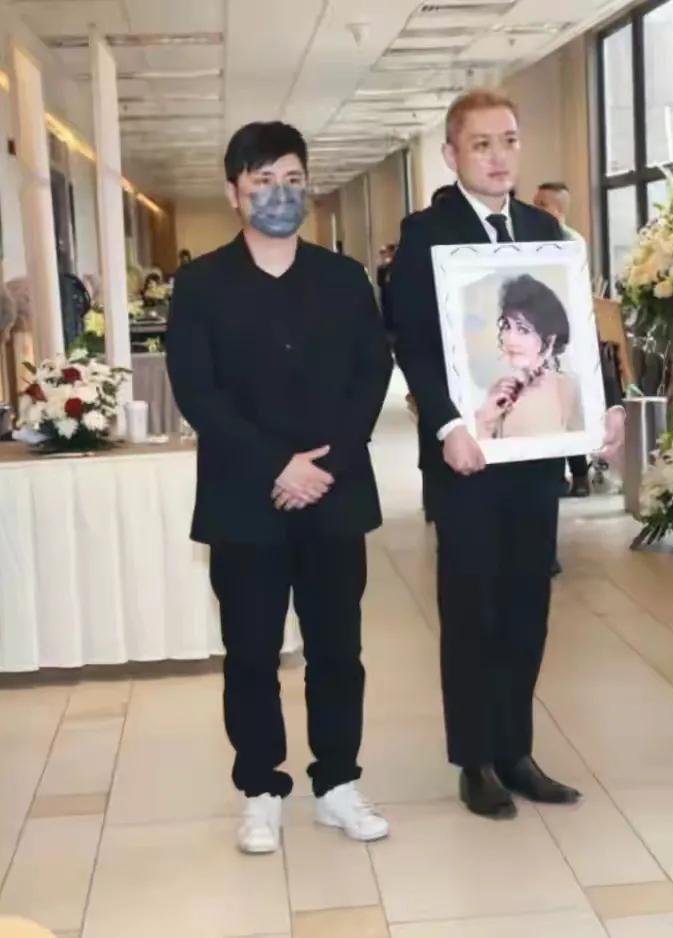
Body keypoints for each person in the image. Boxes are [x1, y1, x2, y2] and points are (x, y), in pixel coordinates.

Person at [166, 120, 393, 854]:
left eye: (292, 179)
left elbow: (372, 373)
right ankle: (261, 789)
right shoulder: (201, 285)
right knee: (252, 653)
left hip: (334, 496)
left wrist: (325, 465)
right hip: (245, 501)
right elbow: (198, 392)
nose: (279, 193)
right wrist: (276, 464)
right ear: (234, 192)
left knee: (338, 651)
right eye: (262, 180)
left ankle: (338, 784)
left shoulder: (343, 279)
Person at [390, 89, 582, 820]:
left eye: (509, 141)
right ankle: (474, 758)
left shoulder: (544, 230)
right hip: (465, 455)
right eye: (481, 145)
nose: (499, 157)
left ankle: (516, 750)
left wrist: (596, 414)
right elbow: (412, 344)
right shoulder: (425, 235)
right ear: (452, 154)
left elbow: (570, 343)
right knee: (472, 606)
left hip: (534, 456)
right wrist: (448, 427)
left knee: (528, 602)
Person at [533, 182, 591, 495]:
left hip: (564, 335)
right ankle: (554, 477)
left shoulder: (571, 242)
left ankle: (580, 474)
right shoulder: (529, 238)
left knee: (568, 405)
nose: (534, 209)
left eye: (541, 204)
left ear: (557, 210)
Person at [474, 275, 584, 440]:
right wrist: (485, 419)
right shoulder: (500, 391)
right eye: (507, 326)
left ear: (549, 340)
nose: (510, 338)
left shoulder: (566, 389)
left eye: (523, 330)